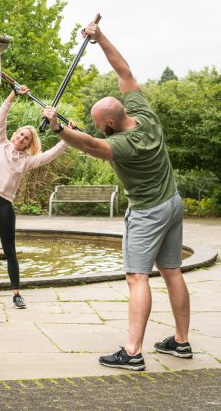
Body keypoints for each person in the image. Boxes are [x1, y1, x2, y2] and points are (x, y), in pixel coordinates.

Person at [42, 21, 190, 371]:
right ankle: (181, 343)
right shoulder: (144, 116)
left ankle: (132, 352)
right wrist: (100, 37)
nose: (96, 128)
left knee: (137, 277)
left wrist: (59, 128)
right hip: (173, 202)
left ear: (109, 124)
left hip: (149, 212)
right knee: (172, 271)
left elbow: (92, 146)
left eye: (98, 123)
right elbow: (124, 71)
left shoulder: (122, 146)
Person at [0, 85, 67, 311]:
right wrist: (14, 92)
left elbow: (50, 155)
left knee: (10, 250)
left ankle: (16, 294)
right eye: (21, 134)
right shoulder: (0, 143)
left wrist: (66, 136)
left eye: (26, 138)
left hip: (4, 204)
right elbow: (2, 115)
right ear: (15, 135)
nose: (22, 138)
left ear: (29, 144)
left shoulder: (26, 161)